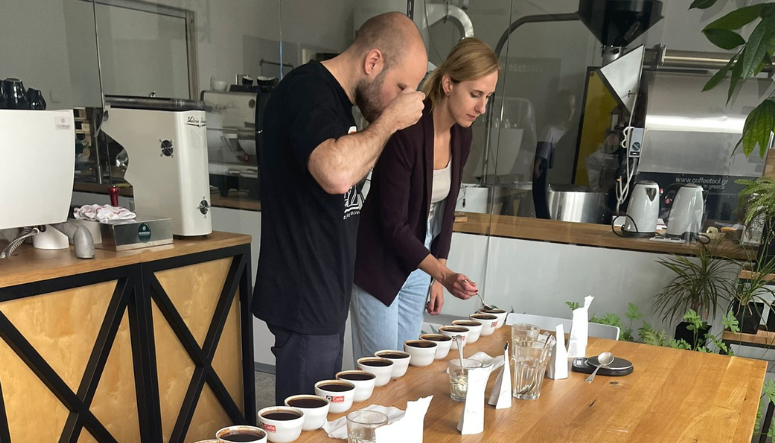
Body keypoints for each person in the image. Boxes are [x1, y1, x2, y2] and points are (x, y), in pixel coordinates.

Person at [252, 12, 428, 405]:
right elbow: (336, 173)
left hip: (324, 297)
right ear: (373, 61)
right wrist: (391, 121)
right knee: (305, 424)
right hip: (304, 296)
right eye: (401, 86)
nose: (401, 99)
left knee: (323, 419)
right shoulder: (307, 91)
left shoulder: (340, 106)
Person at [350, 38, 499, 360]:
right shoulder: (407, 132)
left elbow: (446, 208)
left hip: (421, 255)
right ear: (448, 84)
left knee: (411, 365)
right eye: (475, 94)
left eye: (488, 97)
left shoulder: (462, 132)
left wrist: (437, 273)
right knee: (382, 369)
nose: (482, 108)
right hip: (380, 259)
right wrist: (444, 275)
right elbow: (391, 226)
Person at [531, 90, 576, 219]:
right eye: (565, 107)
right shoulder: (550, 131)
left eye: (573, 107)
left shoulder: (570, 132)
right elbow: (537, 165)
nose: (570, 111)